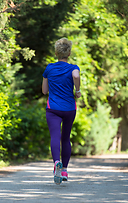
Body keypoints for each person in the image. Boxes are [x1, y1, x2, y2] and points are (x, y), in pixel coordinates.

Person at [42, 37, 81, 185]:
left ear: (56, 53)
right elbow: (76, 76)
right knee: (66, 138)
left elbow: (44, 91)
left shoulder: (49, 69)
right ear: (69, 53)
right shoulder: (73, 68)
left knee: (55, 137)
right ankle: (64, 170)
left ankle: (56, 162)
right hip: (70, 108)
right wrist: (77, 90)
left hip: (53, 109)